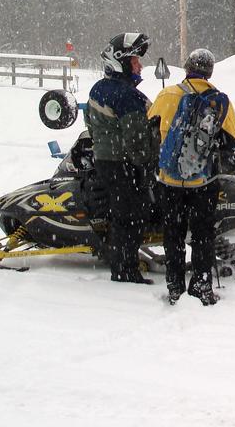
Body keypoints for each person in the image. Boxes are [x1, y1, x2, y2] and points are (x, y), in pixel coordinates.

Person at [148, 48, 235, 306]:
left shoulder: (167, 94)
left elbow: (151, 130)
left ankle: (175, 286)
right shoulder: (219, 101)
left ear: (187, 68)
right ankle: (201, 286)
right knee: (203, 235)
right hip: (203, 181)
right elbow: (231, 139)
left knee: (173, 235)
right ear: (210, 71)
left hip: (169, 181)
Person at [84, 32, 159, 284]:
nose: (140, 67)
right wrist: (148, 164)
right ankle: (125, 270)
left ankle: (121, 262)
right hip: (125, 164)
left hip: (106, 161)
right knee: (132, 217)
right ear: (121, 62)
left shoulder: (98, 89)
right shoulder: (128, 96)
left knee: (120, 214)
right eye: (136, 61)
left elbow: (92, 128)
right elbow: (137, 140)